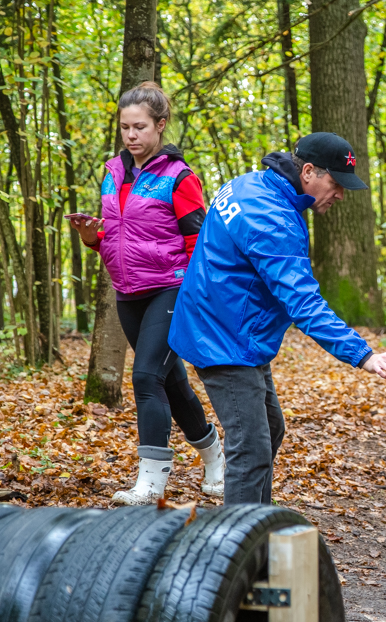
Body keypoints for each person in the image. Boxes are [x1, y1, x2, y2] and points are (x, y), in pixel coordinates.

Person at [168, 132, 386, 505]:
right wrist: (365, 355)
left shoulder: (252, 185)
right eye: (336, 184)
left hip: (231, 327)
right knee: (251, 448)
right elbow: (303, 303)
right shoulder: (272, 218)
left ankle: (257, 522)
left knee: (270, 430)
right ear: (308, 171)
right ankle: (238, 549)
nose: (340, 195)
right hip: (222, 338)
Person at [70, 82, 222, 506]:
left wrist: (194, 297)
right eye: (125, 128)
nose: (131, 135)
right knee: (171, 383)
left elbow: (198, 241)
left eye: (140, 127)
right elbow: (113, 237)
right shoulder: (112, 171)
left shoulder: (180, 176)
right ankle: (214, 456)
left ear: (160, 126)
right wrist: (90, 236)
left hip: (171, 288)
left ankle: (151, 481)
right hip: (128, 292)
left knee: (145, 377)